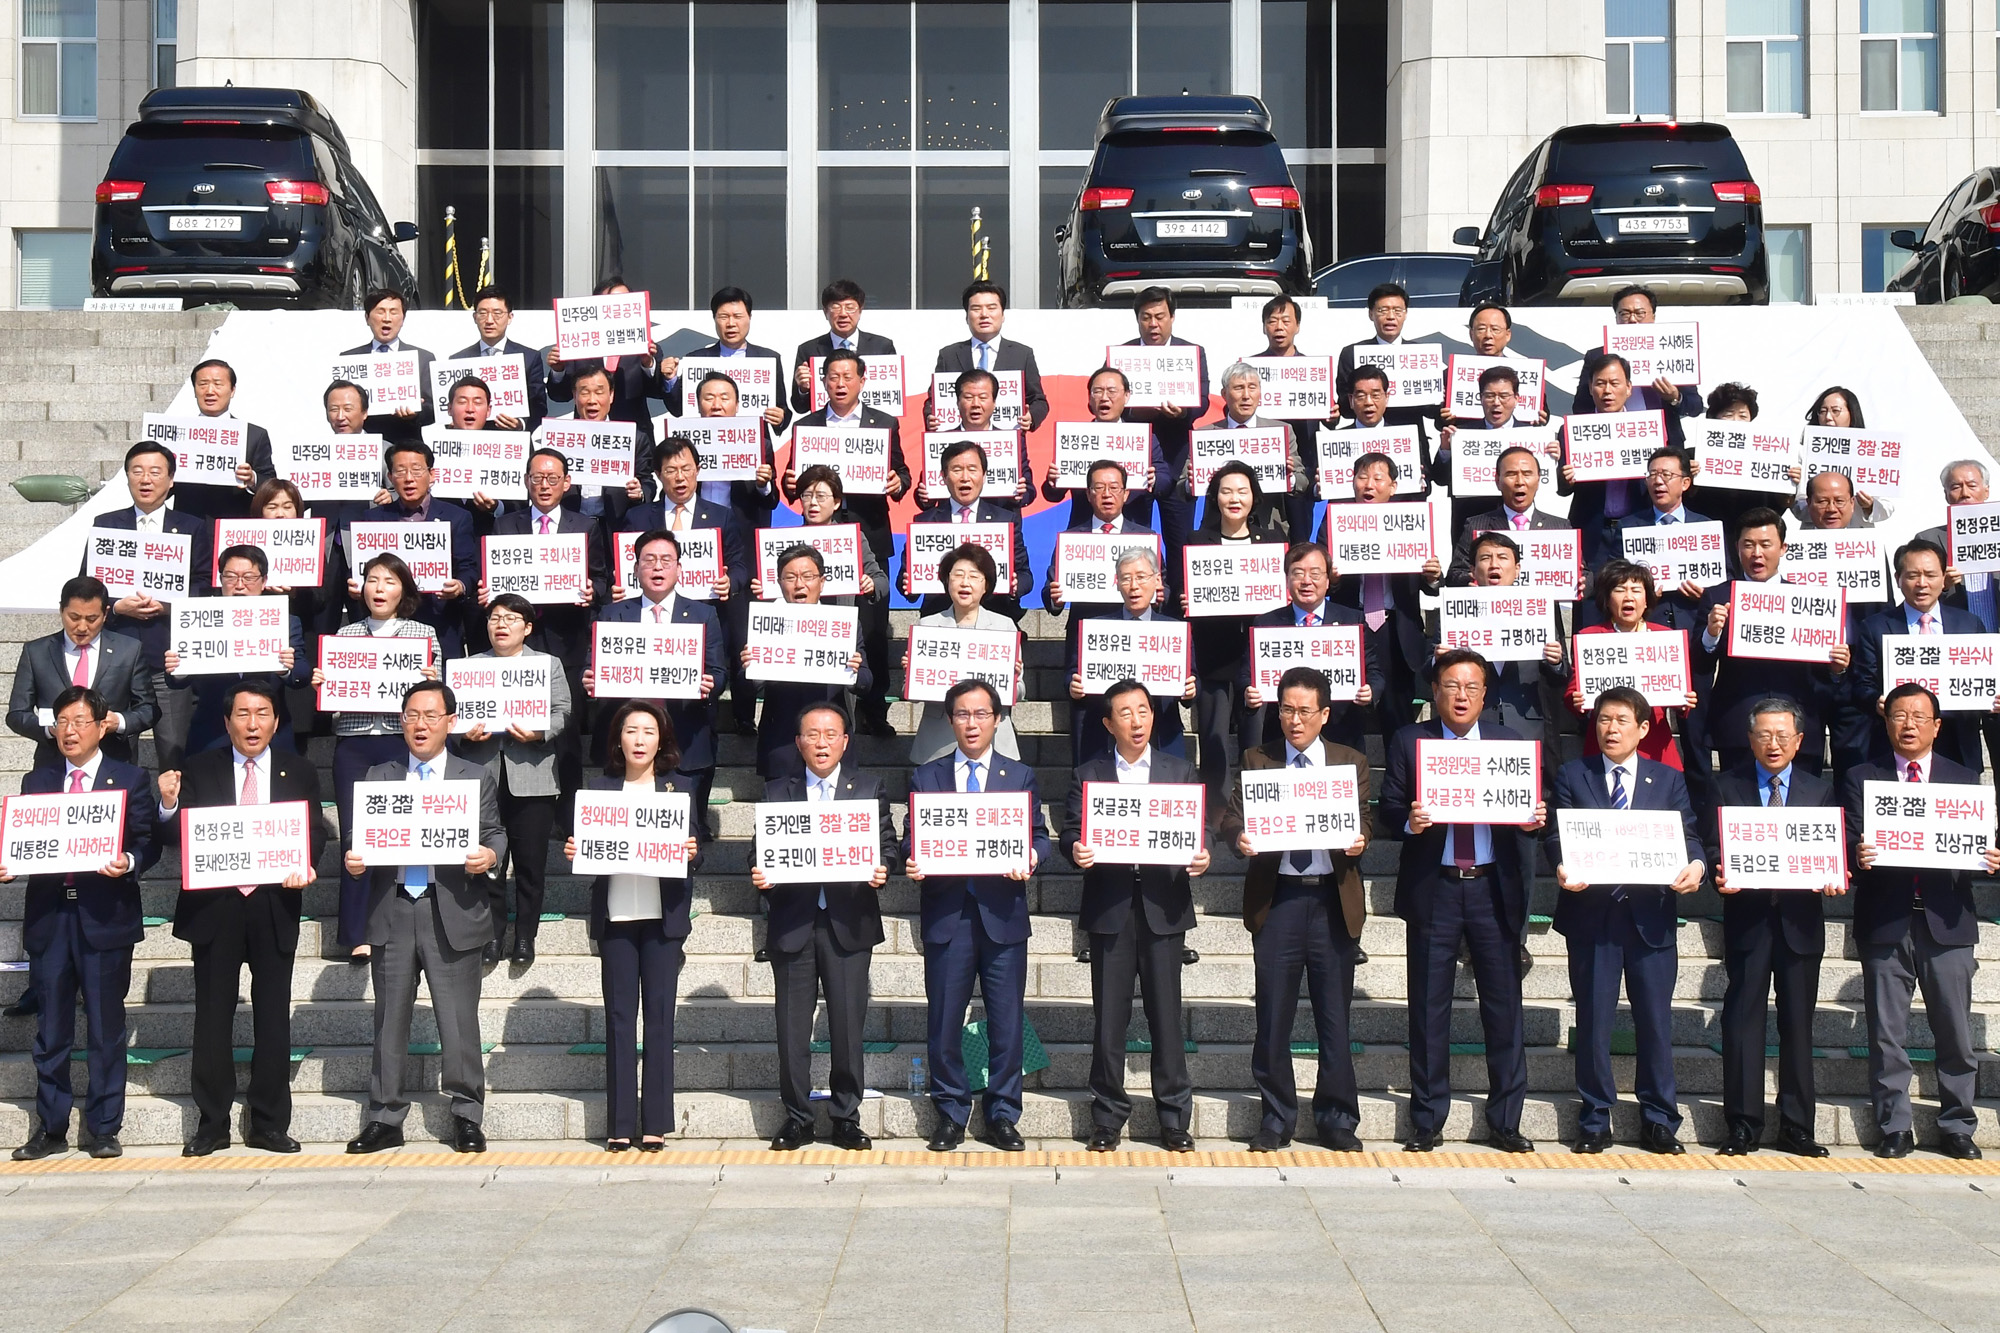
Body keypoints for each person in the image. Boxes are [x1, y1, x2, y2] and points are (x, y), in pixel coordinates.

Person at [1378, 649, 1543, 1153]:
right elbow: (1387, 809)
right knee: (1429, 1008)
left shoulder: (1509, 743)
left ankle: (1506, 1120)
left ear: (1485, 693)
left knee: (1504, 1007)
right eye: (1452, 685)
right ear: (1435, 691)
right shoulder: (1412, 740)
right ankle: (1427, 1119)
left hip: (1493, 888)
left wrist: (1535, 817)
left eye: (1471, 686)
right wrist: (1410, 821)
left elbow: (1531, 811)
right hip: (1437, 887)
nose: (1462, 695)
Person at [155, 680, 325, 1156]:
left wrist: (306, 864)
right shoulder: (198, 769)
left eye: (263, 713)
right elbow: (172, 835)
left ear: (276, 720)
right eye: (243, 714)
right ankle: (212, 1123)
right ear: (226, 721)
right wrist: (168, 803)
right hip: (216, 908)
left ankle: (268, 1123)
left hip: (274, 905)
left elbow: (313, 834)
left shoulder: (299, 771)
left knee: (273, 1019)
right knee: (212, 1017)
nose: (253, 724)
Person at [343, 681, 505, 1155]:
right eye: (412, 715)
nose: (420, 724)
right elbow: (360, 836)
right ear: (400, 721)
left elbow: (496, 833)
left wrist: (489, 857)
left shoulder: (473, 776)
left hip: (451, 907)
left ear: (450, 723)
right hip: (392, 907)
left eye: (431, 716)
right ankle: (385, 1115)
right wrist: (355, 857)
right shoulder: (380, 775)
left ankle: (466, 1114)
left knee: (458, 1021)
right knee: (388, 1019)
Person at [1219, 665, 1371, 1152]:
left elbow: (1366, 816)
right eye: (1286, 709)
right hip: (1278, 898)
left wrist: (1361, 837)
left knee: (1334, 1018)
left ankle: (1337, 1119)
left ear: (1325, 714)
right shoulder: (1258, 759)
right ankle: (1276, 1116)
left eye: (1306, 710)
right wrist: (1236, 836)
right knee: (1273, 1016)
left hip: (1331, 898)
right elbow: (1231, 815)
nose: (1295, 719)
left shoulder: (1350, 761)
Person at [1549, 686, 1706, 1155]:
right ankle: (1595, 1117)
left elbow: (1689, 835)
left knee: (1655, 1022)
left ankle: (1659, 1118)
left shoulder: (1668, 778)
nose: (1610, 729)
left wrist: (1695, 866)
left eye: (1620, 720)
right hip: (1592, 915)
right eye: (1602, 720)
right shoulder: (1573, 775)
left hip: (1650, 918)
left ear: (1643, 728)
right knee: (1594, 1021)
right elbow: (1559, 836)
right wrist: (1561, 864)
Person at [1842, 682, 1995, 1161]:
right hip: (1886, 920)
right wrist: (1857, 855)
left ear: (1937, 726)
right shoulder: (1861, 777)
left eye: (1918, 717)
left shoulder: (1964, 779)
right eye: (1898, 716)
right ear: (1885, 722)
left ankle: (1957, 1125)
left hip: (1946, 922)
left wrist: (1990, 857)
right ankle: (1895, 1125)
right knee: (1887, 1033)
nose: (1908, 725)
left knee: (1954, 1031)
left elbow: (1979, 845)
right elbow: (1841, 841)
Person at [5, 687, 157, 1161]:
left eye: (79, 721)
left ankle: (104, 1126)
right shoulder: (38, 782)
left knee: (105, 1027)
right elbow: (27, 841)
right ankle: (50, 1127)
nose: (69, 731)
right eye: (62, 722)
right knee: (51, 1029)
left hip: (105, 918)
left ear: (100, 726)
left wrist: (129, 859)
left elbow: (148, 841)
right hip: (51, 916)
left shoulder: (128, 779)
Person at [1061, 679, 1207, 1152]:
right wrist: (1075, 849)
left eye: (1143, 711)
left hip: (1164, 905)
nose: (1136, 721)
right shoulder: (1089, 773)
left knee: (1166, 1018)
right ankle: (1106, 1117)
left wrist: (1201, 855)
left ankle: (1174, 1118)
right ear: (1108, 724)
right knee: (1109, 1020)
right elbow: (1068, 831)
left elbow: (1196, 831)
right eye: (1125, 713)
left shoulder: (1179, 771)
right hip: (1111, 908)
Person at [906, 678, 1052, 1153]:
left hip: (1002, 914)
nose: (972, 723)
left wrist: (1030, 854)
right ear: (949, 720)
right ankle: (950, 1110)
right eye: (963, 715)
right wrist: (912, 856)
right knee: (944, 1020)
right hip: (948, 914)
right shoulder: (926, 777)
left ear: (997, 719)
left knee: (1006, 1020)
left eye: (981, 714)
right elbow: (913, 837)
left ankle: (1003, 1113)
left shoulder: (1020, 775)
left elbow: (1040, 836)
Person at [751, 701, 897, 1152]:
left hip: (848, 923)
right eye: (812, 734)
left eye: (830, 734)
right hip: (793, 923)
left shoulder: (868, 788)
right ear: (798, 742)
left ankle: (846, 1116)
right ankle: (797, 1117)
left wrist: (883, 867)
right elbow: (758, 851)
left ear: (844, 742)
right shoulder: (778, 791)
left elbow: (887, 843)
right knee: (792, 1030)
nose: (821, 742)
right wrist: (760, 872)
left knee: (848, 1026)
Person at [567, 699, 706, 1152]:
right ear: (618, 739)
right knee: (621, 1019)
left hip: (663, 918)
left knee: (660, 1018)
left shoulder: (679, 789)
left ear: (662, 738)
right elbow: (590, 854)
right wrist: (576, 850)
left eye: (649, 731)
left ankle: (657, 1122)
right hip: (617, 916)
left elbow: (697, 849)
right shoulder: (599, 791)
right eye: (631, 730)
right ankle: (620, 1122)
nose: (640, 739)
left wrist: (690, 850)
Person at [1705, 697, 1838, 1158]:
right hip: (1749, 920)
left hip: (1801, 923)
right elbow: (1712, 846)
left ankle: (1798, 1125)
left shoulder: (1819, 791)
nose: (1774, 743)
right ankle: (1742, 1123)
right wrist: (1721, 869)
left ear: (1801, 741)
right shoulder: (1728, 787)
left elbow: (1831, 850)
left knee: (1798, 1024)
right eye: (1764, 734)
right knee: (1743, 1021)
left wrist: (1836, 876)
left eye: (1783, 735)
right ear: (1750, 739)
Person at [315, 553, 443, 963]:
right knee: (356, 838)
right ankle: (355, 932)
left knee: (397, 832)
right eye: (372, 580)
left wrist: (431, 682)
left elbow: (435, 697)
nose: (379, 588)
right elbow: (330, 702)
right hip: (353, 742)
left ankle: (400, 922)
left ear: (402, 588)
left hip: (399, 741)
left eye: (388, 581)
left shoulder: (423, 634)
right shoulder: (345, 635)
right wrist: (324, 682)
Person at [786, 348, 912, 736]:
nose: (840, 383)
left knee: (872, 628)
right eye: (832, 377)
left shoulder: (883, 422)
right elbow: (794, 485)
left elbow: (903, 472)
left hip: (867, 536)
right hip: (815, 540)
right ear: (823, 382)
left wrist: (898, 482)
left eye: (847, 376)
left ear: (862, 380)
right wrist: (790, 483)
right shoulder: (807, 425)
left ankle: (874, 709)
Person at [1690, 509, 1849, 807]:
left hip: (1800, 727)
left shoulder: (1810, 600)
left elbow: (1828, 676)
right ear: (1737, 548)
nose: (1756, 553)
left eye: (1765, 544)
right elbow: (1699, 663)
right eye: (1748, 545)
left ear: (1783, 548)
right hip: (1739, 726)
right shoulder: (1717, 597)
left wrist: (1837, 667)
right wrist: (1711, 634)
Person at [453, 594, 572, 968]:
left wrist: (539, 733)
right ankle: (491, 934)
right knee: (488, 861)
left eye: (510, 618)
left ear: (528, 627)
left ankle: (525, 936)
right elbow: (451, 717)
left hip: (532, 775)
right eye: (494, 618)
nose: (500, 624)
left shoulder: (547, 665)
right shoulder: (469, 666)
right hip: (481, 773)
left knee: (530, 862)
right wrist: (461, 733)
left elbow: (563, 711)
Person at [484, 447, 607, 801]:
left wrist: (590, 590)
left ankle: (568, 809)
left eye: (553, 478)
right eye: (537, 477)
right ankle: (520, 803)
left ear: (567, 483)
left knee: (563, 726)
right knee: (515, 720)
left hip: (567, 640)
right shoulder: (506, 525)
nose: (544, 485)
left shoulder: (585, 527)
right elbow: (495, 580)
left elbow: (601, 579)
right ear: (526, 482)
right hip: (516, 642)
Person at [87, 440, 213, 771]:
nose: (146, 479)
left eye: (155, 472)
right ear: (127, 477)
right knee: (114, 757)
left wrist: (169, 606)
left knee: (174, 754)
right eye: (137, 471)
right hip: (116, 658)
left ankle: (171, 818)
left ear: (171, 480)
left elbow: (205, 586)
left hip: (168, 658)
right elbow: (87, 590)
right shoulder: (106, 525)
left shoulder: (192, 527)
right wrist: (116, 608)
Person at [587, 530, 727, 826]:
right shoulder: (612, 615)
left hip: (686, 741)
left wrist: (709, 685)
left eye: (666, 560)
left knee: (685, 840)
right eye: (649, 560)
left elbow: (719, 672)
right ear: (635, 569)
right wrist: (589, 680)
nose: (658, 567)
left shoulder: (704, 614)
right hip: (625, 746)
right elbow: (592, 668)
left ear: (680, 569)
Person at [622, 436, 753, 733]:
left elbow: (741, 566)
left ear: (698, 471)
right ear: (657, 475)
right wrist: (622, 588)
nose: (679, 477)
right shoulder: (638, 516)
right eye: (670, 470)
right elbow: (626, 568)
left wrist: (729, 581)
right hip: (652, 619)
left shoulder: (722, 516)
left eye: (686, 468)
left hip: (703, 616)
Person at [1182, 461, 1286, 810]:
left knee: (1256, 739)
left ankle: (1257, 808)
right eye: (1226, 491)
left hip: (1260, 658)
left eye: (1242, 491)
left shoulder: (1273, 541)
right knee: (1213, 739)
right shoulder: (1198, 541)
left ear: (1254, 497)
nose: (1234, 498)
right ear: (1215, 497)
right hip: (1213, 655)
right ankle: (1216, 813)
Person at [1850, 539, 1995, 777]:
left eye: (1930, 575)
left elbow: (1985, 679)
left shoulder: (1969, 623)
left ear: (1943, 578)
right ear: (1898, 579)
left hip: (1958, 743)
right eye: (1913, 575)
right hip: (1899, 746)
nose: (1922, 584)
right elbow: (1861, 686)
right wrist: (1876, 701)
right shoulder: (1875, 627)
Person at [1321, 452, 1441, 739]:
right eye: (1361, 478)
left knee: (1397, 719)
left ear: (1393, 486)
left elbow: (1429, 584)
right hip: (1350, 623)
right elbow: (1319, 572)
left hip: (1396, 629)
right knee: (1345, 719)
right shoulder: (1336, 518)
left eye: (1377, 478)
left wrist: (1433, 576)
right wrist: (1332, 578)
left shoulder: (1411, 520)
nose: (1368, 485)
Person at [163, 544, 310, 756]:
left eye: (249, 577)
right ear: (220, 579)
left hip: (270, 737)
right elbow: (175, 681)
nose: (239, 586)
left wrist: (286, 668)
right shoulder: (198, 620)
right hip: (212, 734)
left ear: (264, 581)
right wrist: (178, 667)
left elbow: (302, 675)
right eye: (230, 576)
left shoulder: (285, 622)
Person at [743, 545, 869, 780]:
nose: (799, 584)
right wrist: (751, 668)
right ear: (780, 583)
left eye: (807, 577)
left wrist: (855, 671)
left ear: (822, 582)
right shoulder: (765, 624)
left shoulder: (842, 624)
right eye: (790, 578)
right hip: (782, 742)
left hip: (831, 744)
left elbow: (866, 682)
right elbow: (748, 687)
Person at [1240, 542, 1378, 753]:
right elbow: (1245, 675)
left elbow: (1375, 673)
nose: (1306, 581)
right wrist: (1249, 694)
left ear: (1328, 579)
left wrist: (1371, 691)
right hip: (1282, 735)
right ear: (1287, 579)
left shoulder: (1352, 620)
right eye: (1298, 573)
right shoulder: (1265, 623)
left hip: (1341, 734)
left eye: (1315, 573)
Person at [1067, 547, 1197, 767]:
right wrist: (1074, 686)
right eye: (1126, 579)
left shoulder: (1174, 630)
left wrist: (1190, 691)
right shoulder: (1097, 628)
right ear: (1117, 583)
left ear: (1157, 581)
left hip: (1162, 735)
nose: (1134, 586)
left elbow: (1193, 677)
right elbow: (1071, 672)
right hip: (1104, 739)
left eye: (1141, 577)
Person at [8, 575, 153, 770]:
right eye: (74, 617)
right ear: (61, 610)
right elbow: (17, 714)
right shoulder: (37, 652)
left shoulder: (129, 651)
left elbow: (149, 709)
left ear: (105, 614)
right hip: (53, 764)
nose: (82, 627)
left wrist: (118, 721)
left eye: (91, 619)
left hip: (113, 762)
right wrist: (52, 729)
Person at [1561, 352, 1688, 569]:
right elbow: (1563, 489)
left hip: (1639, 526)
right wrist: (1567, 479)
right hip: (1592, 532)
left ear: (1629, 388)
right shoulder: (1571, 431)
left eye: (1614, 383)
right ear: (1590, 388)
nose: (1607, 390)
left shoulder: (1649, 428)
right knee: (1591, 599)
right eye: (1600, 383)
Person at [1566, 559, 1696, 770]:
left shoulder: (1666, 638)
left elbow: (1680, 691)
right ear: (1607, 600)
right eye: (1620, 589)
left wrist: (1683, 702)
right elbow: (1572, 693)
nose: (1628, 597)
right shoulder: (1589, 637)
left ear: (1647, 600)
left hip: (1654, 745)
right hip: (1606, 744)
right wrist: (1577, 701)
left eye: (1636, 590)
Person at [355, 440, 478, 659]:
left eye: (417, 470)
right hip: (386, 625)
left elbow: (468, 568)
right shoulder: (372, 519)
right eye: (400, 471)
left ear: (432, 475)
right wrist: (355, 584)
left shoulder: (457, 517)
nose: (409, 478)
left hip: (440, 622)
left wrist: (459, 586)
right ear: (391, 478)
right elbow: (360, 569)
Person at [1122, 287, 1211, 591]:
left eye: (1160, 317)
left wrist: (1182, 411)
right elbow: (1112, 402)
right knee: (1135, 542)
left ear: (1172, 318)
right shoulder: (1125, 355)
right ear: (1137, 320)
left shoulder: (1192, 353)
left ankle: (1176, 613)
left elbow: (1202, 402)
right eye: (1146, 317)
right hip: (1134, 463)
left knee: (1179, 544)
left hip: (1178, 463)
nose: (1153, 324)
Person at [908, 543, 1022, 764]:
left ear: (985, 585)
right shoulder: (928, 626)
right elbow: (912, 694)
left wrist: (1014, 680)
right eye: (957, 575)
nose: (965, 583)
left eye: (974, 576)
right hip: (939, 742)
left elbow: (1018, 692)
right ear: (946, 581)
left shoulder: (1004, 626)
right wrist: (912, 673)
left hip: (994, 741)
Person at [900, 438, 1032, 621]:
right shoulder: (925, 522)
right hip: (939, 620)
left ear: (984, 476)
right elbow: (903, 581)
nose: (965, 477)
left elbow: (1025, 575)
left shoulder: (1005, 520)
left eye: (972, 469)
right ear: (943, 477)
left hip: (995, 617)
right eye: (956, 470)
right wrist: (907, 584)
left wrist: (1015, 586)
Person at [1459, 532, 1567, 753]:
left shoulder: (1537, 611)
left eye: (1502, 557)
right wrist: (1439, 660)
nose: (1494, 564)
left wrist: (1555, 662)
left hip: (1526, 726)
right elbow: (1428, 668)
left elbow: (1562, 673)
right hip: (1472, 725)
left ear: (1517, 569)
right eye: (1486, 558)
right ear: (1472, 570)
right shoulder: (1456, 612)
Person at [547, 276, 668, 460]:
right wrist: (558, 370)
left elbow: (659, 392)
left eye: (624, 303)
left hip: (633, 441)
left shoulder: (646, 346)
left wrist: (647, 364)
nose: (617, 310)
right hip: (585, 440)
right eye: (610, 304)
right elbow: (560, 395)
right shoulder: (577, 346)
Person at [1037, 366, 1169, 531]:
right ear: (1089, 398)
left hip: (1133, 530)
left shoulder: (1145, 438)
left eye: (1111, 391)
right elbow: (1052, 495)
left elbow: (1165, 482)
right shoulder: (1075, 440)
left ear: (1127, 396)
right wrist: (1053, 481)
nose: (1104, 398)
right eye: (1097, 391)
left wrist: (1154, 479)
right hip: (1084, 531)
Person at [1194, 362, 1309, 534]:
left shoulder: (1282, 432)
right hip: (1217, 528)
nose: (1246, 396)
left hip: (1269, 528)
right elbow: (1182, 488)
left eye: (1252, 388)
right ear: (1224, 394)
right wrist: (1190, 483)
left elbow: (1302, 482)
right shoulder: (1205, 434)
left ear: (1260, 393)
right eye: (1239, 388)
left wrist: (1289, 478)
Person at [663, 284, 793, 436]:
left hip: (753, 446)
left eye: (738, 317)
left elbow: (782, 408)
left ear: (749, 317)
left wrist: (780, 418)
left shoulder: (768, 359)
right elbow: (678, 409)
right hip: (706, 446)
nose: (731, 324)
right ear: (714, 319)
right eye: (724, 317)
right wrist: (670, 380)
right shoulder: (697, 359)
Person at [1612, 445, 1712, 636]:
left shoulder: (1706, 527)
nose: (1658, 481)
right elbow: (1611, 579)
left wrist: (1706, 594)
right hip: (1645, 628)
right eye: (1652, 475)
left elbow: (1727, 580)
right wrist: (1643, 595)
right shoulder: (1628, 527)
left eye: (1666, 474)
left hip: (1695, 628)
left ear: (1685, 483)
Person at [1445, 439, 1573, 588]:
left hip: (1542, 609)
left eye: (1527, 474)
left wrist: (1582, 582)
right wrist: (1474, 581)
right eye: (1511, 474)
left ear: (1539, 479)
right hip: (1492, 608)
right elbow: (1455, 574)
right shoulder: (1476, 525)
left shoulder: (1559, 527)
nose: (1519, 481)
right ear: (1497, 480)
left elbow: (1585, 575)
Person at [684, 370, 782, 562]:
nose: (716, 406)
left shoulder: (759, 445)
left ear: (737, 405)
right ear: (697, 405)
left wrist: (763, 485)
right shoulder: (683, 447)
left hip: (741, 539)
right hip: (694, 535)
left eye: (724, 398)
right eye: (709, 398)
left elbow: (771, 501)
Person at [927, 280, 1050, 432]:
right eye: (976, 309)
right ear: (966, 317)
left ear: (1003, 315)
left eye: (991, 308)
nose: (984, 315)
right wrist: (930, 417)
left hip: (1006, 443)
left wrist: (1031, 417)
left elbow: (1039, 400)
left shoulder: (1022, 354)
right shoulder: (949, 355)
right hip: (959, 443)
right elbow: (933, 401)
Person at [1253, 294, 1326, 539]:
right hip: (1259, 468)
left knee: (1300, 540)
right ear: (1264, 328)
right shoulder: (1250, 372)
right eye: (1273, 321)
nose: (1279, 327)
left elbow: (1329, 418)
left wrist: (1332, 415)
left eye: (1286, 320)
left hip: (1300, 468)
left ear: (1297, 326)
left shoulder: (1314, 372)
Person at [1686, 382, 1799, 534]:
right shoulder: (1692, 457)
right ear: (1712, 418)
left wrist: (1788, 485)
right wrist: (1689, 480)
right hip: (1706, 535)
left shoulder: (1768, 458)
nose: (1735, 422)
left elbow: (1776, 507)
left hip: (1750, 539)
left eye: (1743, 416)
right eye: (1728, 415)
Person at [1575, 286, 1701, 419]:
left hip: (1663, 437)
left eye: (1640, 313)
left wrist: (1675, 398)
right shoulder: (1597, 356)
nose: (1632, 319)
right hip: (1614, 436)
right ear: (1616, 318)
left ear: (1653, 317)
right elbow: (1580, 407)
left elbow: (1695, 406)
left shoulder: (1673, 353)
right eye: (1624, 313)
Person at [916, 368, 1035, 510]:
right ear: (958, 402)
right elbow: (923, 495)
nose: (975, 404)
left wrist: (1021, 494)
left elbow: (1029, 491)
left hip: (1002, 526)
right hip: (952, 526)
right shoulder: (940, 441)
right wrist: (926, 498)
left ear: (994, 402)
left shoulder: (1013, 441)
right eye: (968, 397)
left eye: (983, 397)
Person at [178, 358, 276, 520]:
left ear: (232, 390)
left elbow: (270, 482)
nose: (210, 391)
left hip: (235, 523)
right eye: (203, 384)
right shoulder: (176, 434)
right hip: (189, 523)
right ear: (194, 390)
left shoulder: (254, 435)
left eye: (218, 384)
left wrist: (252, 478)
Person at [789, 278, 897, 416]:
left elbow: (892, 400)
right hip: (826, 430)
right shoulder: (808, 350)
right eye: (835, 307)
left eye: (850, 307)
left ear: (860, 310)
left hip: (870, 428)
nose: (843, 314)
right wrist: (803, 390)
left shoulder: (882, 347)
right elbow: (799, 407)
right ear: (825, 312)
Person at [342, 288, 436, 446]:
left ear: (403, 318)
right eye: (380, 312)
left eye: (393, 312)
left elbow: (434, 409)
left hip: (407, 445)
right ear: (367, 317)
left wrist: (415, 413)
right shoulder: (349, 360)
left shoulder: (423, 358)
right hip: (361, 445)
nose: (387, 318)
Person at [562, 360, 650, 528]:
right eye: (585, 392)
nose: (592, 400)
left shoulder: (634, 438)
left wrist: (639, 492)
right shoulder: (559, 437)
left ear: (611, 395)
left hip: (616, 527)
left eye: (599, 392)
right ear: (574, 396)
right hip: (571, 526)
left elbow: (647, 482)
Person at [449, 284, 548, 432]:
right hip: (469, 440)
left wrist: (520, 424)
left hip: (512, 440)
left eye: (497, 313)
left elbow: (539, 406)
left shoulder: (529, 358)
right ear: (475, 317)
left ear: (509, 317)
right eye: (482, 313)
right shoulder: (458, 360)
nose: (489, 320)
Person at [1798, 387, 1893, 525]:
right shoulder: (1804, 453)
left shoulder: (1871, 454)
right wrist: (1817, 508)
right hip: (1816, 535)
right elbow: (1798, 503)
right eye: (1823, 411)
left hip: (1856, 539)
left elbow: (1888, 506)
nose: (1828, 417)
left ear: (1851, 414)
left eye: (1835, 411)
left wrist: (1870, 506)